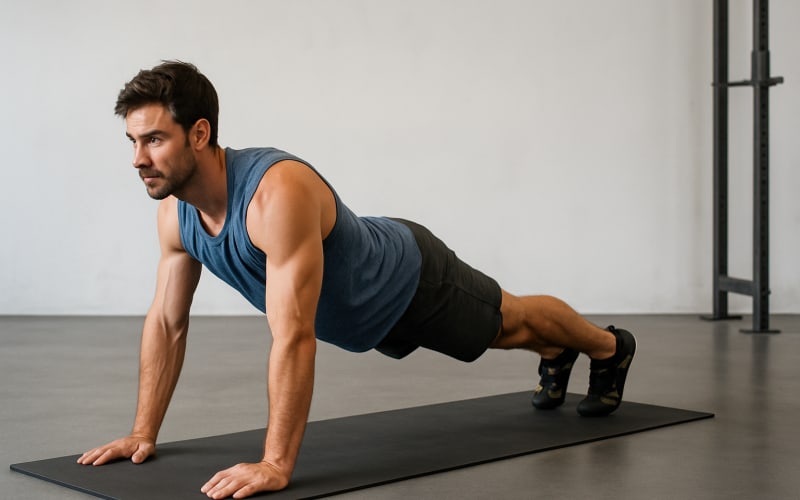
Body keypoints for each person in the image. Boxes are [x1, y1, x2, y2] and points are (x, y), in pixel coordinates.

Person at [77, 61, 637, 500]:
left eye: (153, 139)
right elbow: (168, 322)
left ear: (199, 133)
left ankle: (609, 347)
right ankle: (559, 355)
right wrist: (141, 432)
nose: (137, 158)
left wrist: (276, 463)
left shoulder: (275, 194)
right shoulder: (174, 216)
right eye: (132, 141)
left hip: (406, 279)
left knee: (510, 324)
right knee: (514, 333)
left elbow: (292, 334)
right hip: (363, 318)